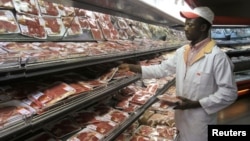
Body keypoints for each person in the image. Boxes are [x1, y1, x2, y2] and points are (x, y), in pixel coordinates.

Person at [118, 6, 238, 141]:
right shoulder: (182, 51)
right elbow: (162, 69)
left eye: (190, 25)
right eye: (185, 24)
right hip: (181, 119)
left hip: (200, 124)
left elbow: (229, 93)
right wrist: (132, 67)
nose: (186, 28)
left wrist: (196, 103)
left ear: (203, 27)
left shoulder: (217, 57)